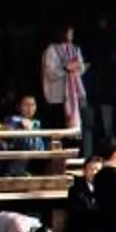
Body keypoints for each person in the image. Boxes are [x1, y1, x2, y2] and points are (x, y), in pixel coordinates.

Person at [38, 24, 88, 152]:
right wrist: (66, 68)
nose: (71, 35)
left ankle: (74, 151)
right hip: (57, 96)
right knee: (58, 128)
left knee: (74, 129)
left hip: (74, 96)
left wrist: (78, 67)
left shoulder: (75, 48)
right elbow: (50, 72)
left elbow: (81, 68)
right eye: (69, 32)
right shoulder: (51, 50)